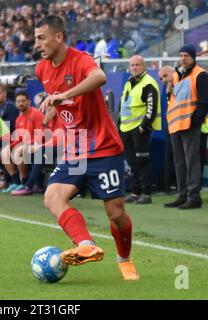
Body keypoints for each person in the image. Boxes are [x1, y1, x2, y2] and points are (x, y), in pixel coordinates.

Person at [35, 15, 139, 280]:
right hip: (75, 150)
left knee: (115, 213)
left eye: (41, 38)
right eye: (36, 38)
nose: (38, 44)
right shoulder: (42, 69)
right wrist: (52, 111)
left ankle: (124, 259)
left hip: (104, 147)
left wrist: (65, 95)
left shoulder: (81, 60)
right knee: (52, 197)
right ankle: (85, 244)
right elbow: (61, 105)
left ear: (58, 38)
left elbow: (100, 76)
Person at [164, 45, 208, 209]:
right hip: (176, 125)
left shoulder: (201, 74)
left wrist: (194, 121)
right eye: (181, 55)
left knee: (192, 161)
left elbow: (206, 102)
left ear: (193, 57)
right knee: (179, 162)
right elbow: (174, 99)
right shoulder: (177, 76)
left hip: (189, 125)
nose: (182, 58)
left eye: (186, 55)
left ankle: (194, 197)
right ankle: (182, 194)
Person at [120, 55, 161, 204]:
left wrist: (143, 126)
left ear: (144, 66)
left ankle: (146, 193)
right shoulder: (129, 83)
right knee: (132, 162)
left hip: (139, 129)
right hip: (126, 128)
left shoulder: (148, 83)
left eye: (138, 65)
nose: (135, 67)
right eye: (132, 65)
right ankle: (135, 192)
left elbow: (152, 107)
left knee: (142, 161)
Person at [0, 89, 44, 193]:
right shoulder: (19, 119)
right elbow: (18, 139)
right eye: (18, 101)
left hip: (38, 145)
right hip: (26, 145)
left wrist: (24, 144)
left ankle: (25, 184)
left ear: (29, 101)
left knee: (18, 151)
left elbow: (40, 136)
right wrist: (9, 146)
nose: (21, 103)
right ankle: (16, 183)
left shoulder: (36, 114)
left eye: (23, 101)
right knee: (4, 152)